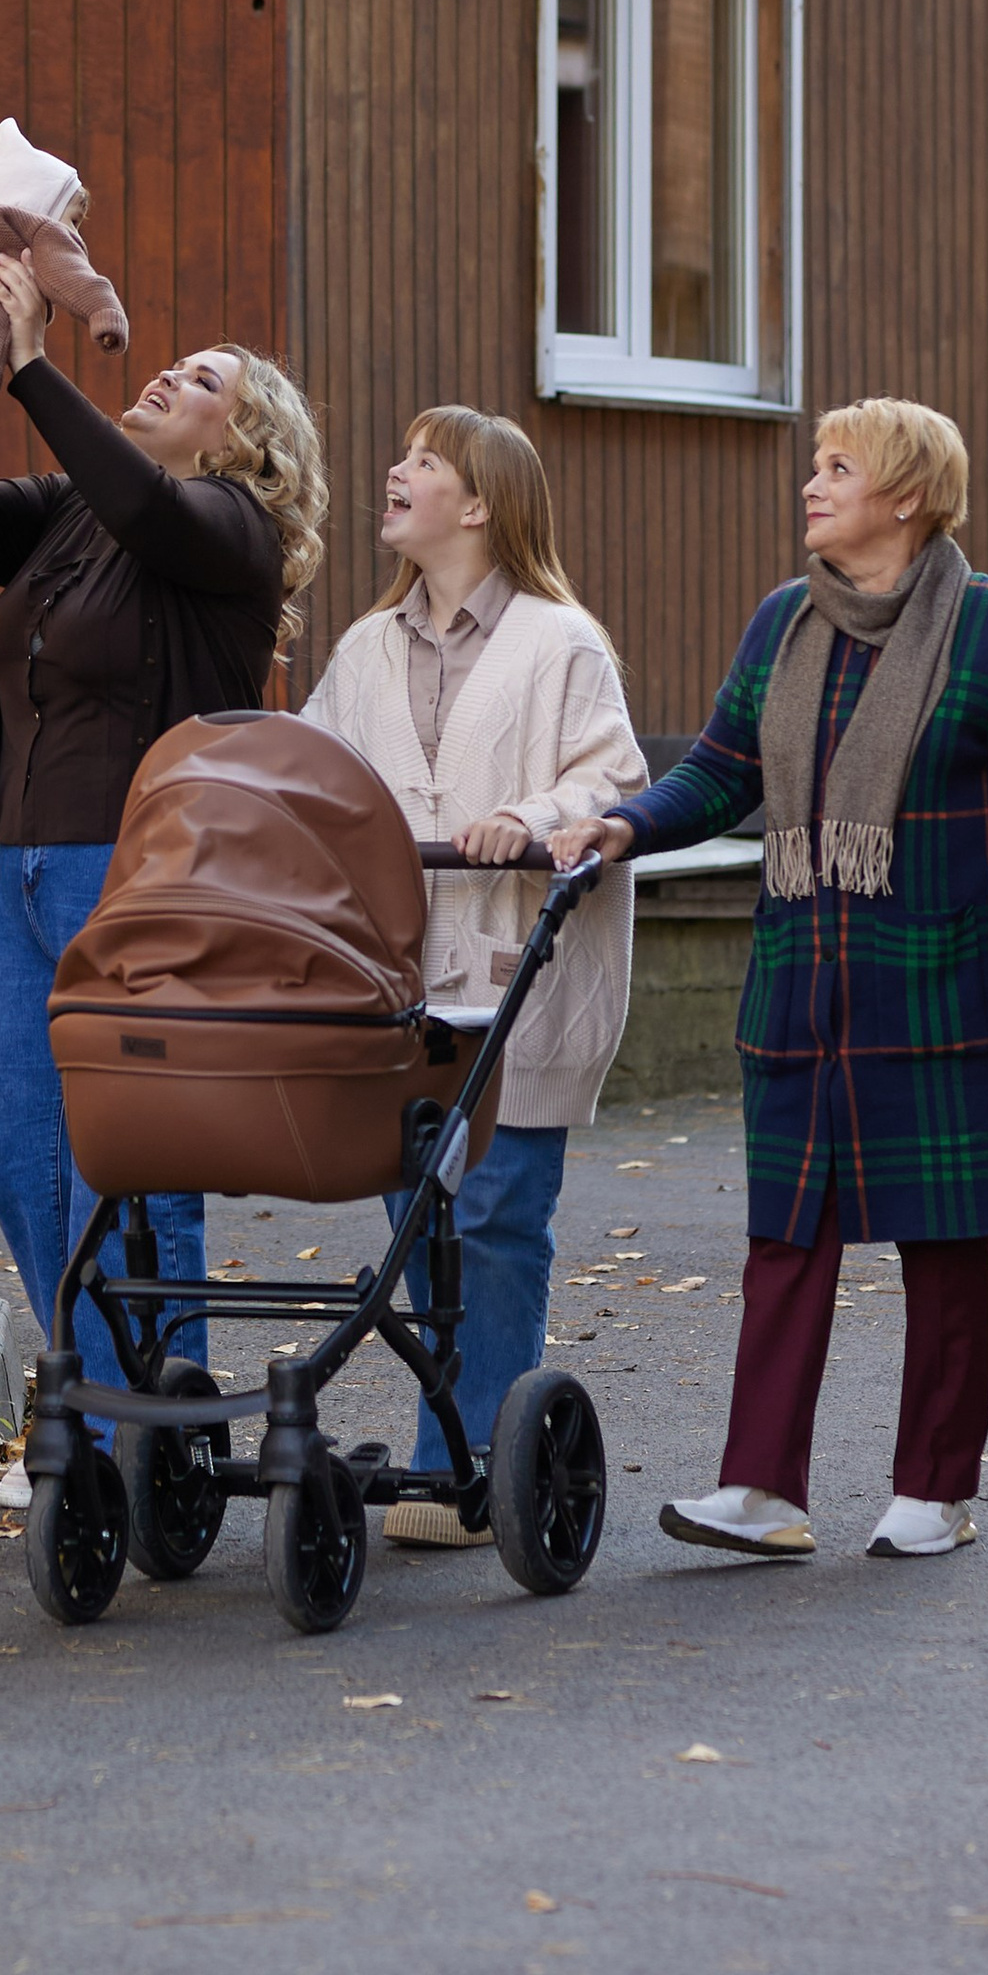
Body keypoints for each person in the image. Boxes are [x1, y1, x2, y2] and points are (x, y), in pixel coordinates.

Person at [551, 397, 988, 1562]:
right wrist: (623, 826)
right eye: (814, 465)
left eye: (838, 468)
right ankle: (761, 1488)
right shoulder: (785, 623)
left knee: (947, 1244)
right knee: (785, 1244)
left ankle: (933, 1490)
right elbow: (721, 772)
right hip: (802, 987)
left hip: (942, 984)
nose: (812, 484)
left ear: (904, 496)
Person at [0, 248, 327, 1488]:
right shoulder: (78, 509)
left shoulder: (230, 531)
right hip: (25, 870)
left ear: (244, 440)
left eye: (200, 379)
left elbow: (149, 509)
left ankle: (147, 1428)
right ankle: (98, 1399)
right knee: (15, 1136)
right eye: (173, 361)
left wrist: (37, 366)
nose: (163, 375)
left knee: (129, 1151)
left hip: (136, 872)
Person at [300, 408, 645, 1543]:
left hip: (518, 975)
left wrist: (527, 816)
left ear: (480, 503)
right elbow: (314, 773)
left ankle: (468, 1464)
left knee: (495, 1213)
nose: (392, 475)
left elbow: (611, 774)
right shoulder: (362, 650)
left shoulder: (561, 642)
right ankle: (450, 1447)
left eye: (422, 463)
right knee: (414, 1211)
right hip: (396, 975)